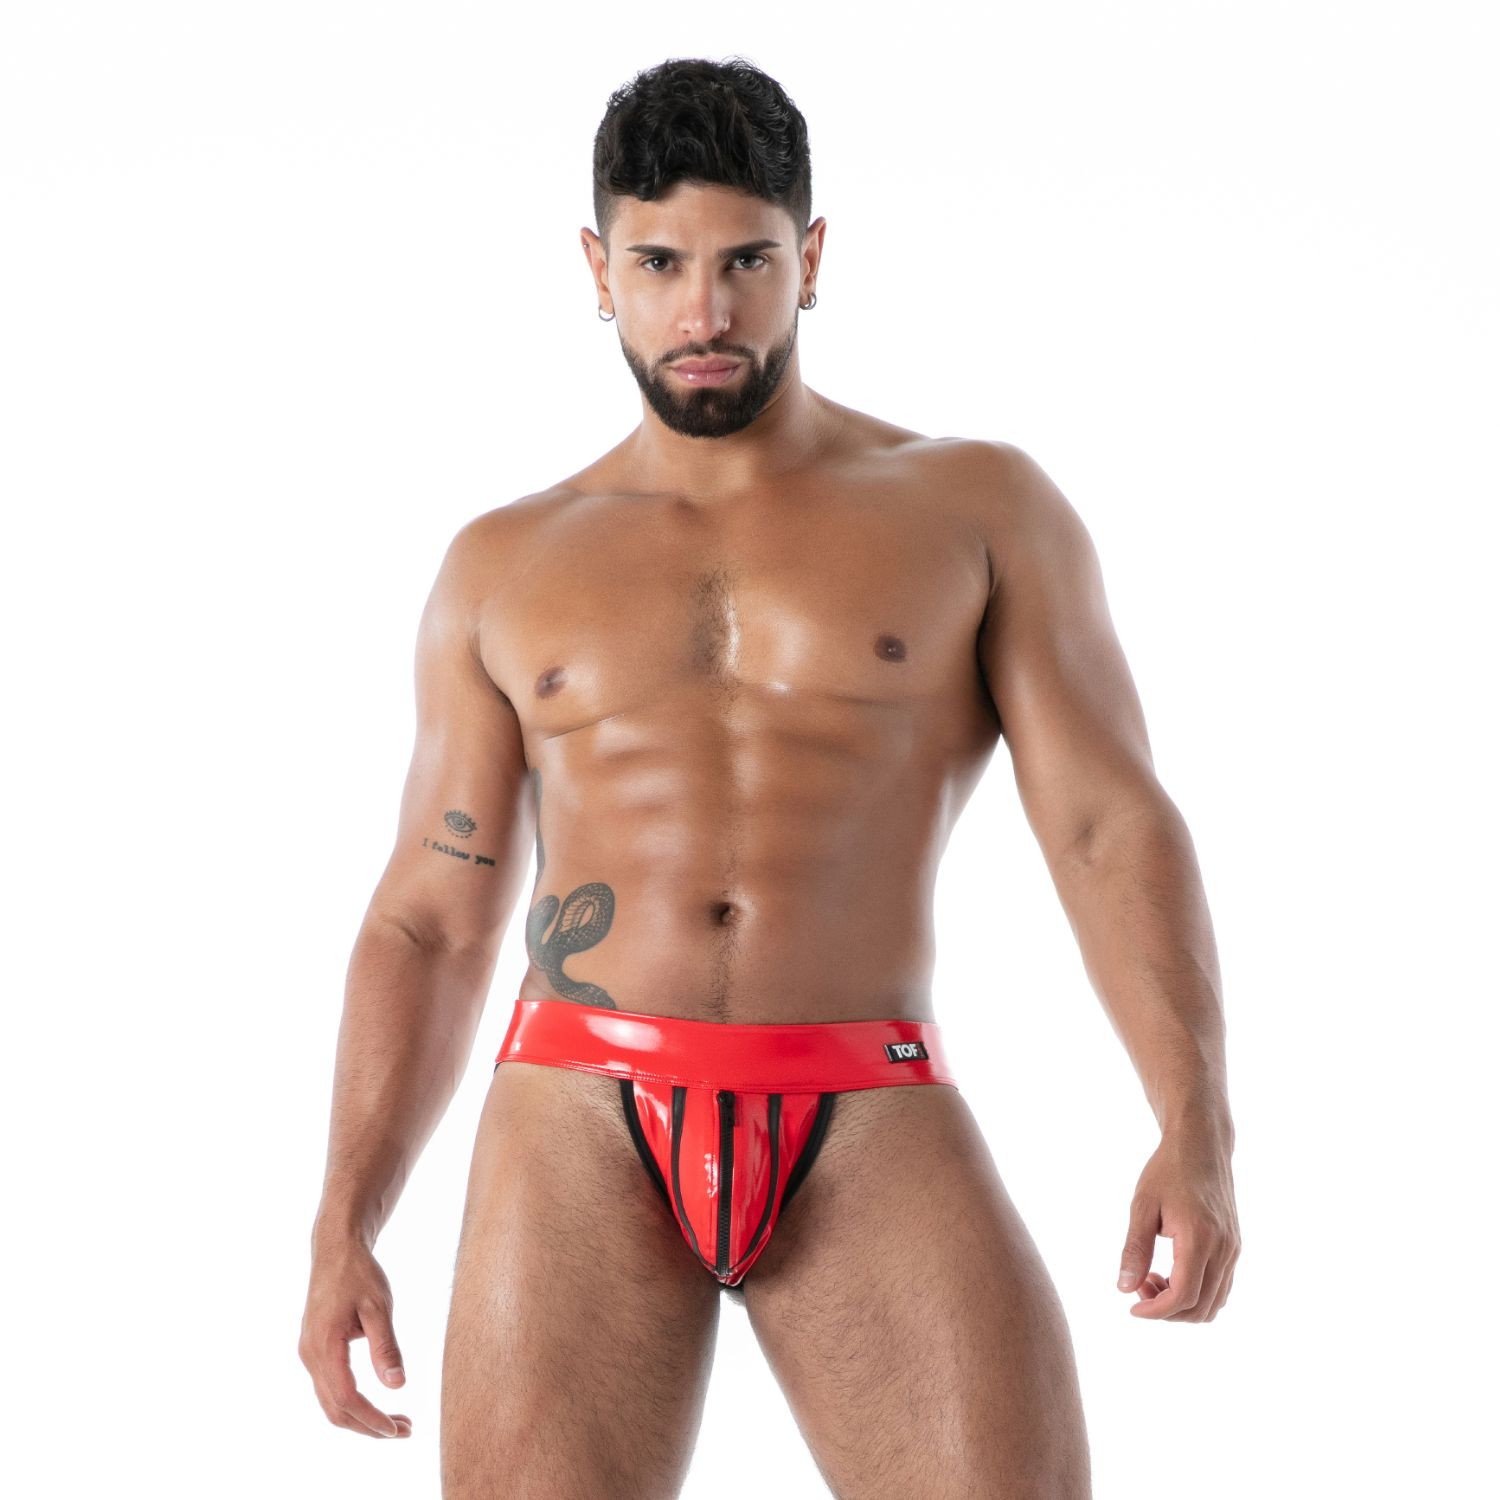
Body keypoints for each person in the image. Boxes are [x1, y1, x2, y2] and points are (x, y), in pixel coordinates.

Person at [298, 54, 1240, 1499]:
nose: (706, 313)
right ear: (597, 270)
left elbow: (1108, 826)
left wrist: (1195, 1121)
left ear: (812, 256)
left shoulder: (976, 509)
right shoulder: (504, 565)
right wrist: (345, 1220)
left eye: (746, 260)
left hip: (865, 1102)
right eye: (659, 264)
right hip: (577, 1111)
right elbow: (431, 915)